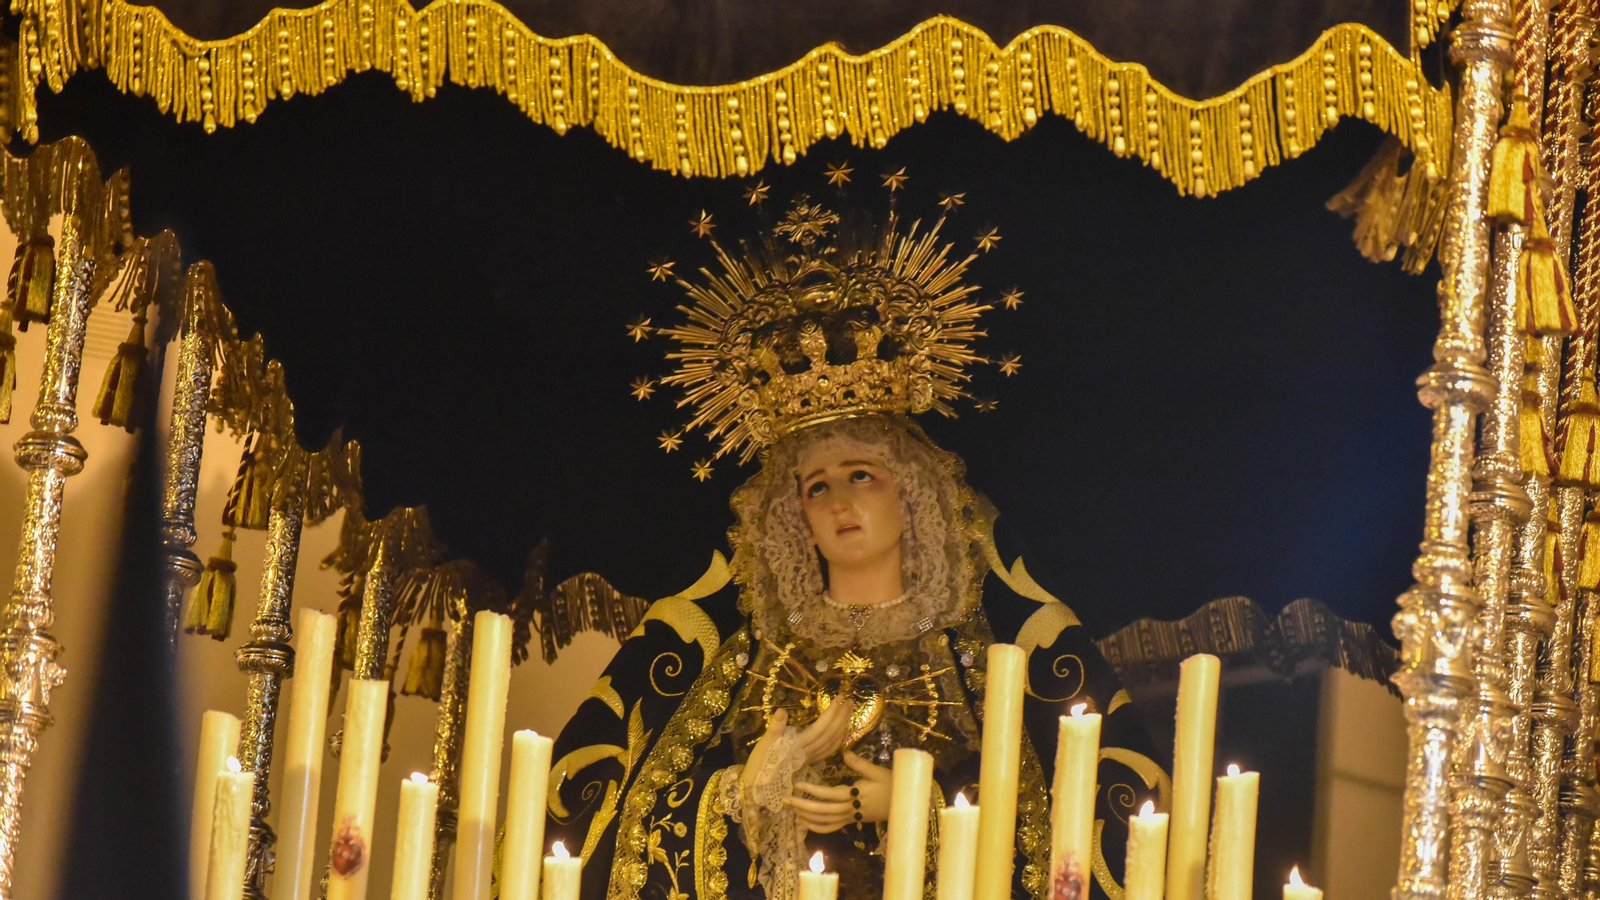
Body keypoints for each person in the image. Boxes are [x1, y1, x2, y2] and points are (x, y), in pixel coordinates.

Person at [540, 194, 1161, 900]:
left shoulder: (978, 652)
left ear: (912, 493)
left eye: (861, 475)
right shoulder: (753, 652)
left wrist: (917, 804)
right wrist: (753, 789)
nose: (838, 502)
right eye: (815, 487)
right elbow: (637, 824)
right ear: (789, 514)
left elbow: (1062, 824)